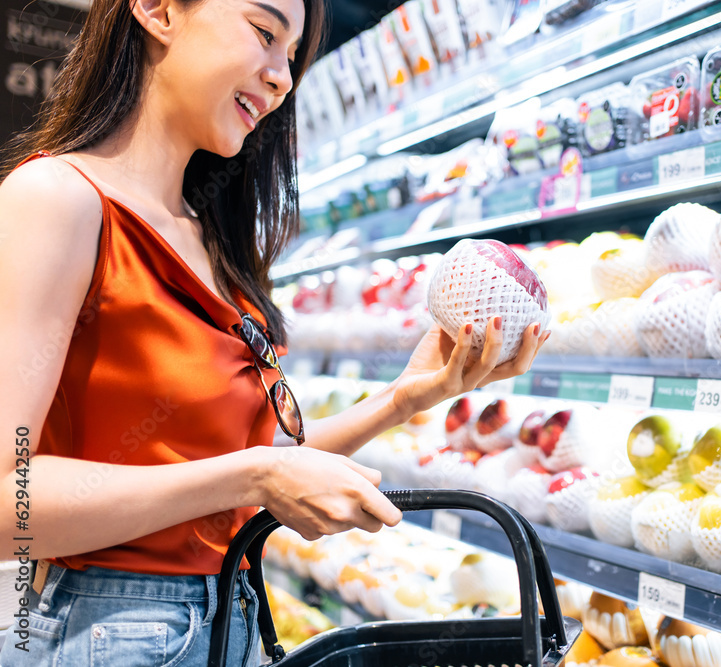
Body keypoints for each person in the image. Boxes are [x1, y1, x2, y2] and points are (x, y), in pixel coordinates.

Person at [0, 0, 549, 663]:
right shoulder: (58, 199)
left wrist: (406, 399)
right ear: (156, 10)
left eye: (292, 58)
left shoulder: (211, 240)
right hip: (109, 633)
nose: (283, 77)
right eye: (265, 33)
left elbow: (261, 459)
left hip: (230, 619)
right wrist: (255, 475)